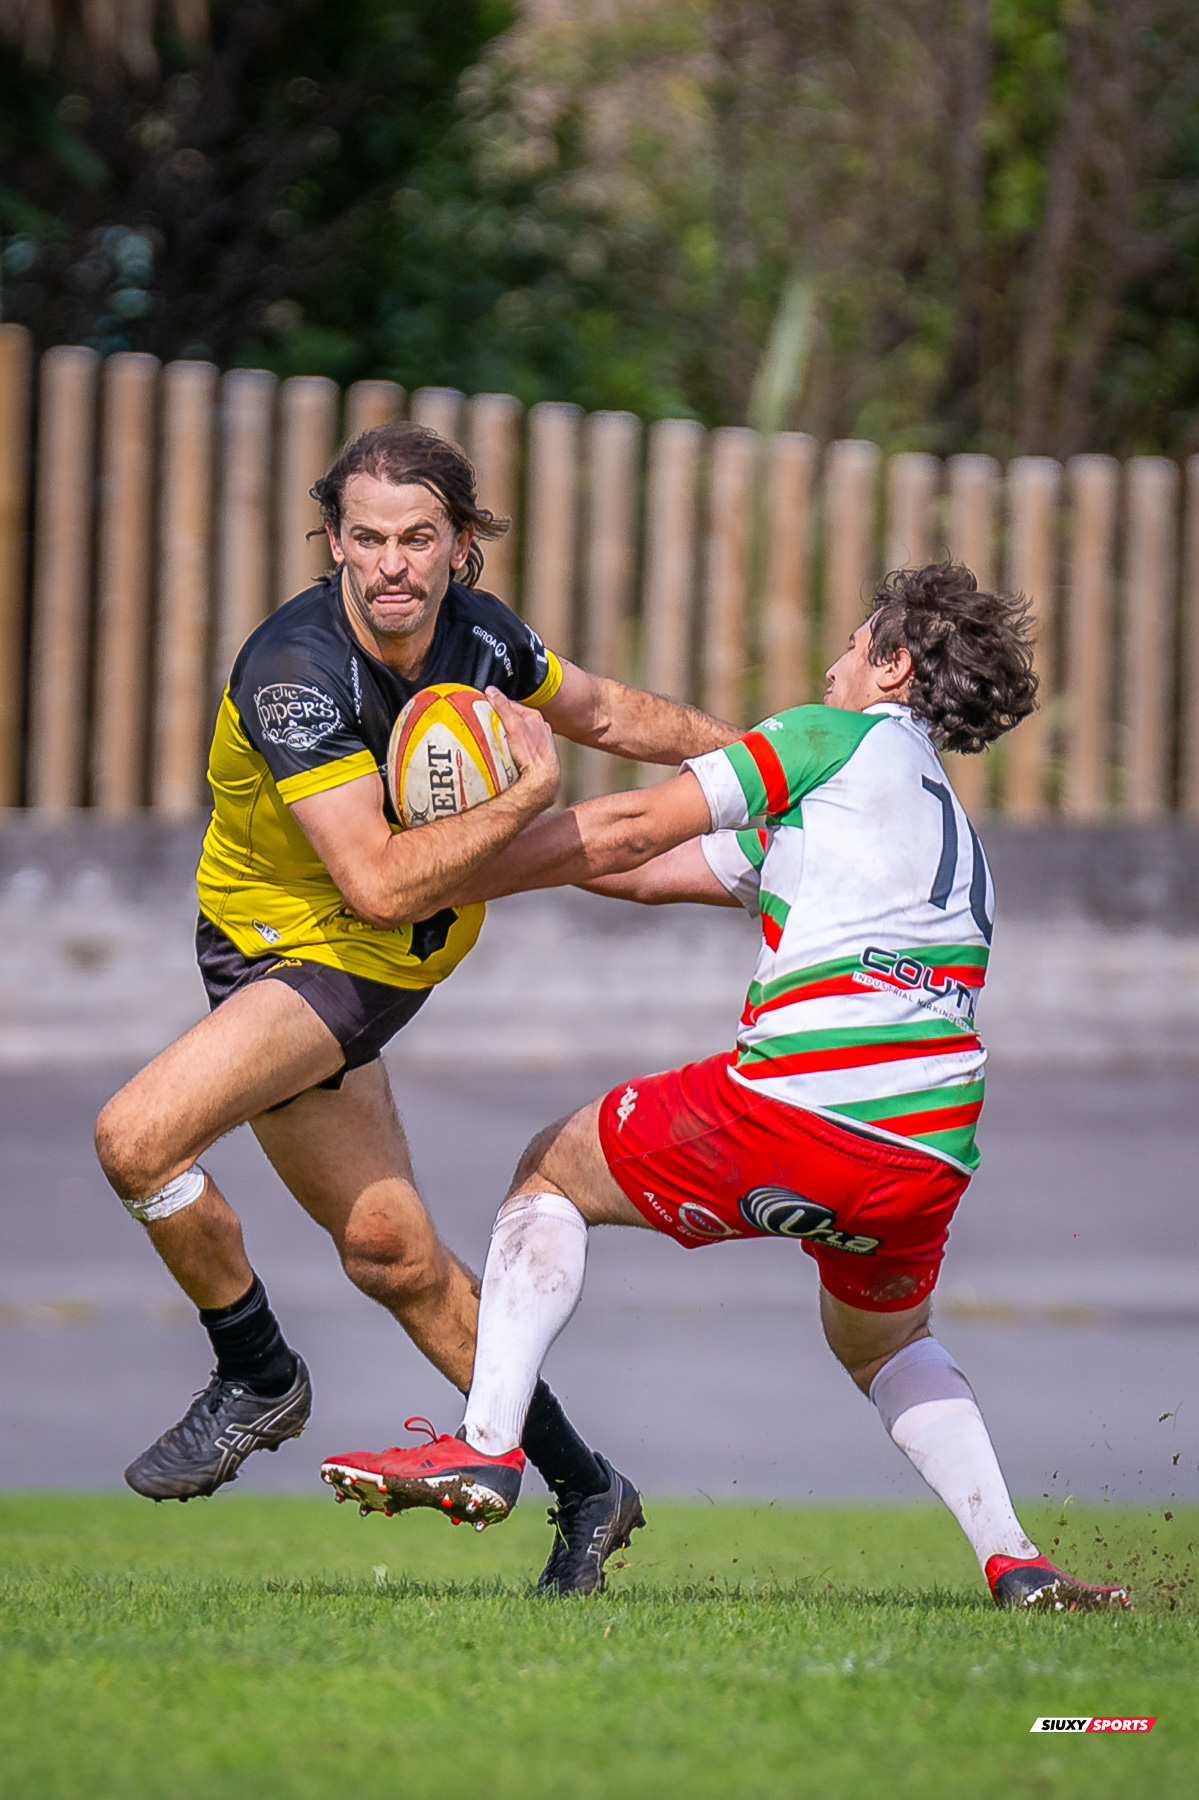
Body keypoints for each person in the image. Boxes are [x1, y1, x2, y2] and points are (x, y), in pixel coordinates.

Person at [322, 562, 1131, 1611]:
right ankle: (1013, 1560)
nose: (833, 664)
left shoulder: (824, 741)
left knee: (549, 1175)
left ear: (891, 665)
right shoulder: (930, 827)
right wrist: (467, 856)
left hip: (803, 1106)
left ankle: (484, 1448)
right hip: (925, 1157)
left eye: (852, 645)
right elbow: (638, 872)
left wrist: (421, 868)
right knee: (885, 1342)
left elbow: (625, 830)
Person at [94, 421, 737, 1595]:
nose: (392, 565)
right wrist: (531, 795)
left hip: (362, 961)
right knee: (393, 1257)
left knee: (135, 1138)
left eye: (419, 539)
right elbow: (379, 874)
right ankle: (590, 1491)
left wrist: (759, 766)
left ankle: (255, 1372)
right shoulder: (295, 672)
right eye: (368, 539)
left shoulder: (480, 636)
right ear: (333, 542)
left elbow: (604, 712)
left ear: (461, 545)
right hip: (282, 943)